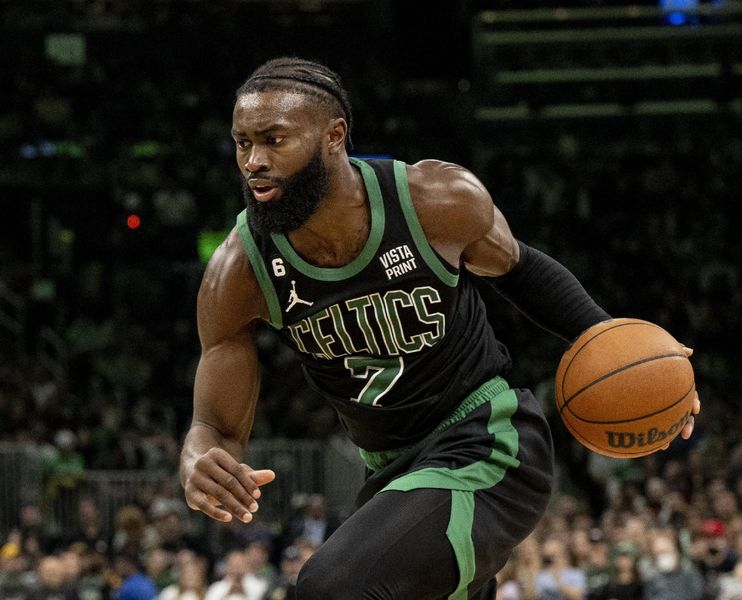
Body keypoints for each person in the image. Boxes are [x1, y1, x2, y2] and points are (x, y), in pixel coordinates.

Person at [179, 56, 701, 599]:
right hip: (393, 473)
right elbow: (214, 425)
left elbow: (520, 269)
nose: (254, 162)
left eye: (273, 140)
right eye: (243, 144)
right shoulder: (240, 270)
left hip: (486, 439)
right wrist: (197, 459)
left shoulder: (434, 200)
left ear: (334, 136)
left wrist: (628, 353)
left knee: (330, 588)